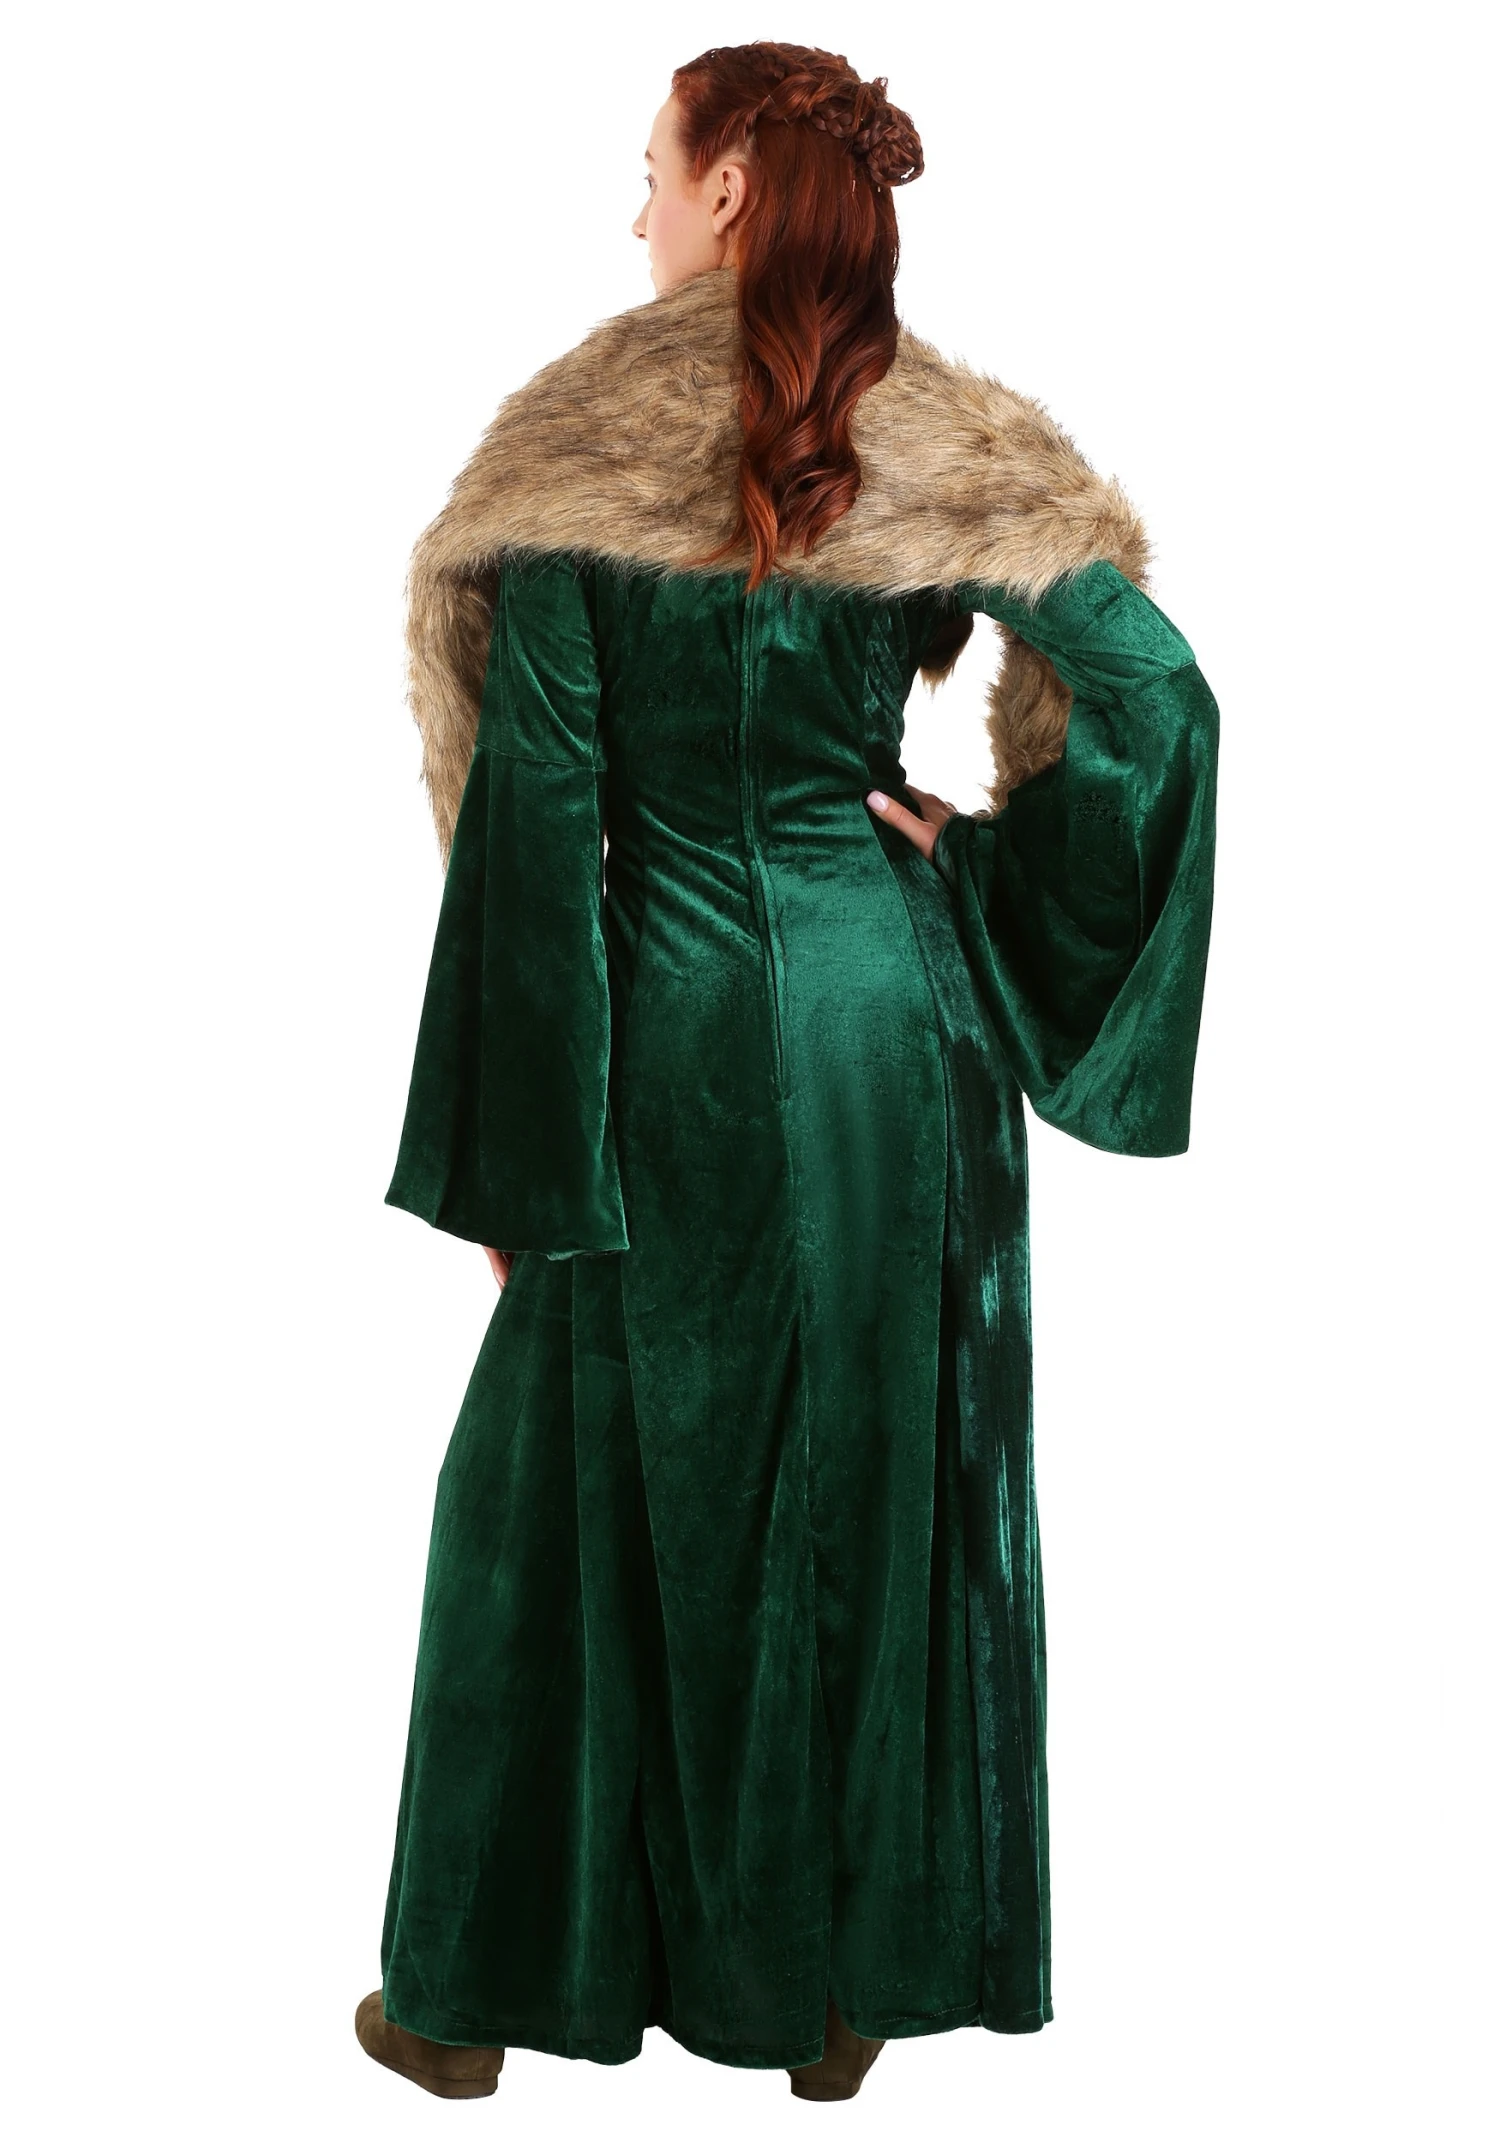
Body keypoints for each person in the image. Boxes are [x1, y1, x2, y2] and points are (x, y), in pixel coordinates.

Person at [354, 40, 1219, 2104]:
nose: (635, 209)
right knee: (871, 1472)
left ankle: (469, 2001)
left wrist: (518, 1148)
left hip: (658, 1029)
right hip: (883, 1027)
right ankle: (835, 1997)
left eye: (653, 170)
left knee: (552, 1492)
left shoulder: (573, 454)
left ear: (732, 185)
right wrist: (984, 874)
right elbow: (1161, 696)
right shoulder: (940, 437)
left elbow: (542, 822)